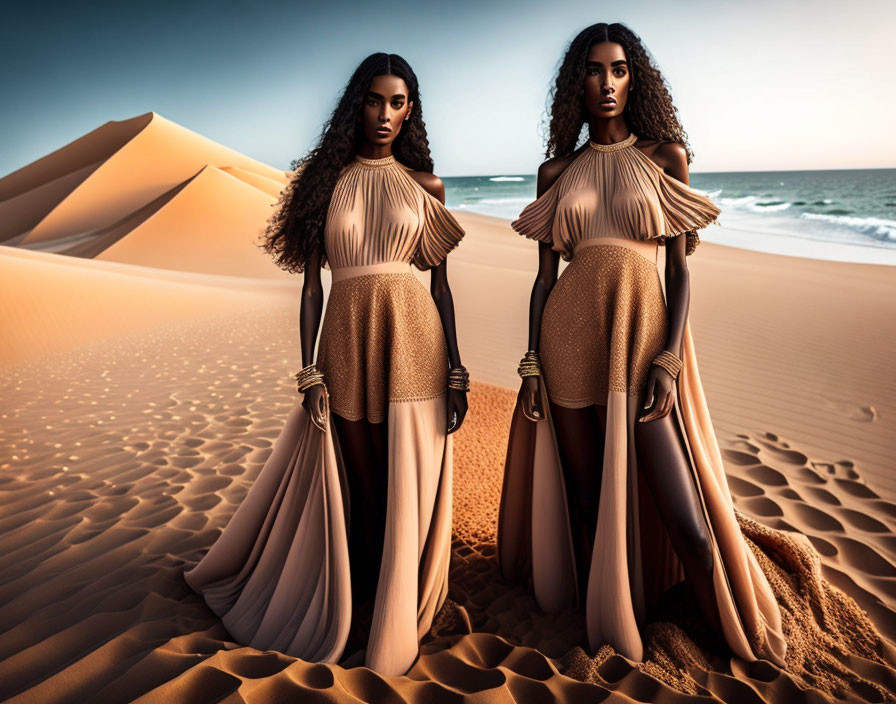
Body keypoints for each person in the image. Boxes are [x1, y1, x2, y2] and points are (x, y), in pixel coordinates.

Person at [497, 22, 787, 667]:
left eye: (619, 69)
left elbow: (680, 271)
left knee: (686, 519)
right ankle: (605, 627)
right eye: (594, 71)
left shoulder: (664, 157)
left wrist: (668, 357)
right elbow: (545, 281)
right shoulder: (556, 171)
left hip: (642, 336)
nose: (607, 83)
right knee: (585, 501)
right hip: (566, 340)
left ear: (635, 78)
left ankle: (741, 653)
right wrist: (532, 367)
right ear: (577, 83)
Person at [183, 52, 468, 677]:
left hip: (415, 339)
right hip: (344, 338)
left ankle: (399, 607)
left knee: (403, 480)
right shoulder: (324, 182)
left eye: (398, 103)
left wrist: (457, 370)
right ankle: (360, 599)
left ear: (410, 110)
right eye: (374, 100)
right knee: (360, 480)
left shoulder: (427, 187)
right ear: (356, 105)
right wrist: (307, 370)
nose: (385, 114)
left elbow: (441, 289)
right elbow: (312, 288)